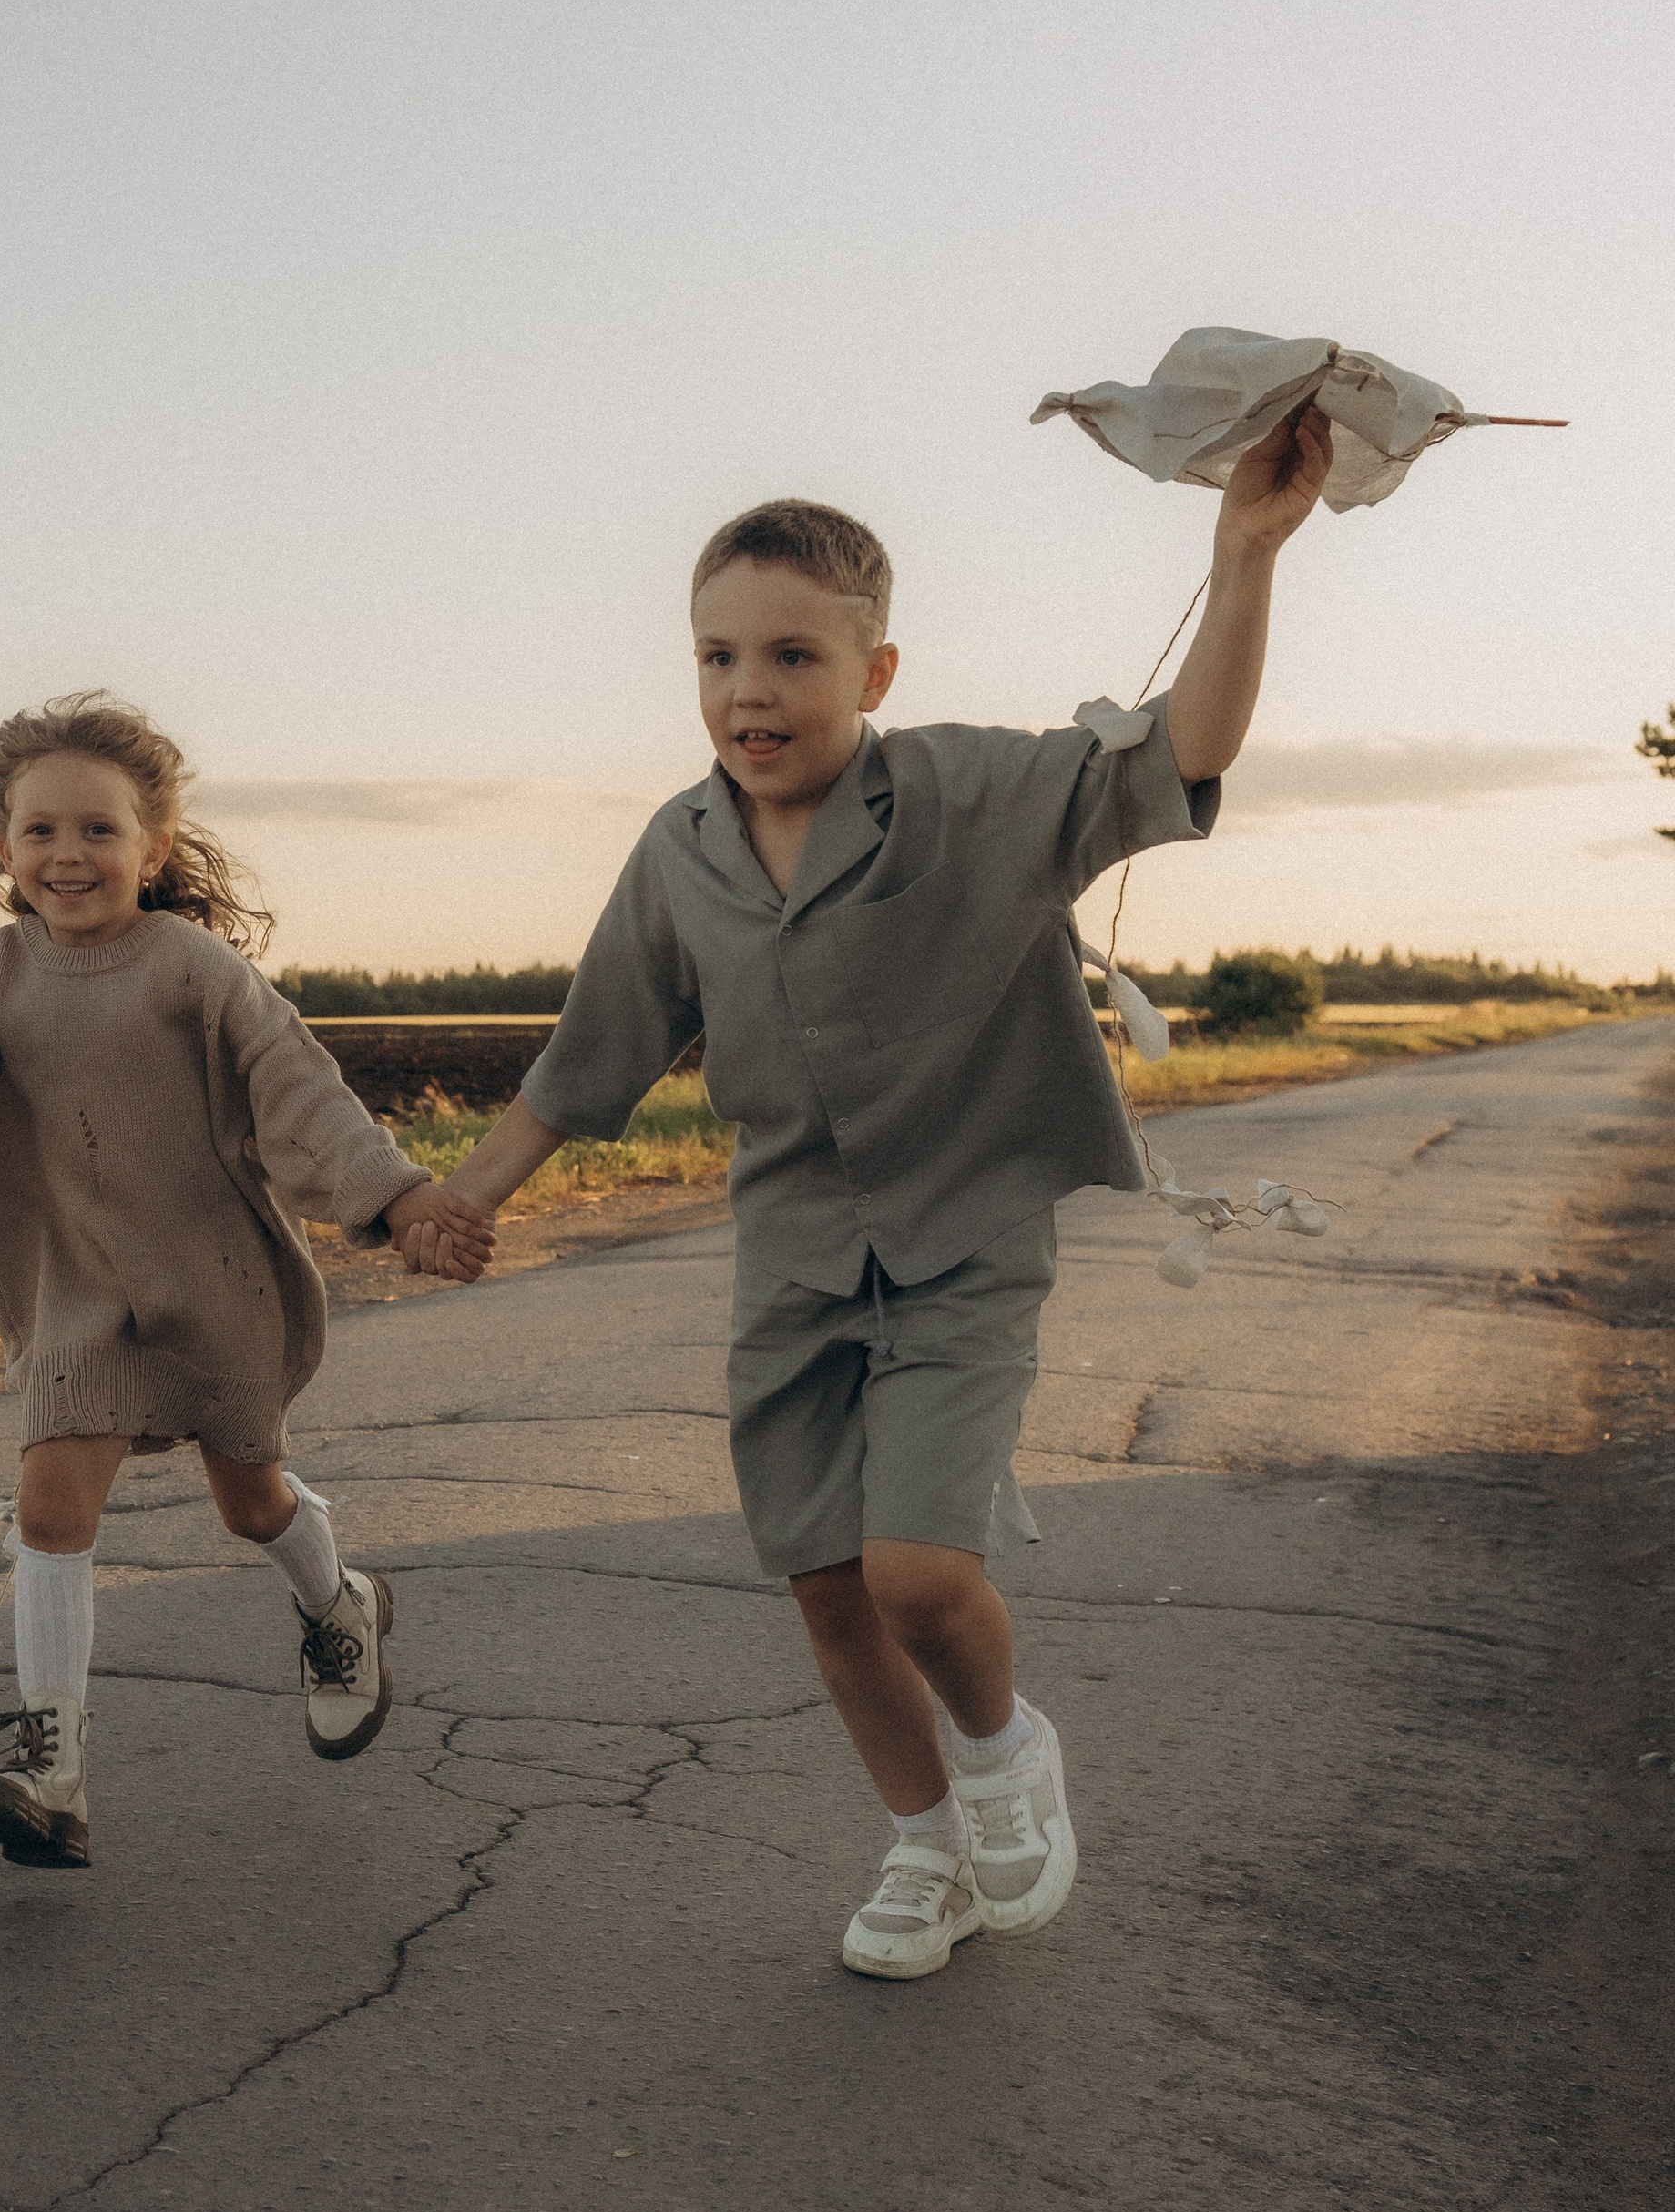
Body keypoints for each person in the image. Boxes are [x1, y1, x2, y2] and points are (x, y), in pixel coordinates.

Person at [421, 413, 1330, 1976]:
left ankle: (1002, 1755)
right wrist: (468, 1197)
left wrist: (1243, 552)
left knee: (920, 1574)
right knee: (832, 1590)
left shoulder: (973, 795)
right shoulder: (680, 851)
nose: (749, 692)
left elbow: (1183, 749)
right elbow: (592, 1055)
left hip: (964, 1241)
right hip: (793, 1260)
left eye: (792, 657)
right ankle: (928, 1852)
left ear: (875, 672)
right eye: (717, 658)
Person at [0, 692, 492, 1871]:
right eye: (40, 831)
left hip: (214, 1283)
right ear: (3, 850)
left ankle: (338, 1603)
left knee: (249, 1502)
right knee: (52, 1503)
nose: (67, 855)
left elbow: (299, 1087)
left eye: (98, 830)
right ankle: (52, 1770)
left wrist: (397, 1193)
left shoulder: (193, 970)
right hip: (74, 1290)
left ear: (153, 849)